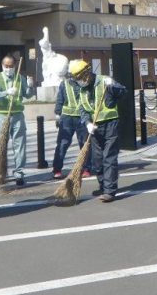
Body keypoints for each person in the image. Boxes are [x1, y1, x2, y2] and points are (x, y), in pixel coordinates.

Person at [71, 60, 127, 202]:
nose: (80, 80)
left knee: (109, 157)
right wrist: (87, 123)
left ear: (87, 73)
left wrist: (113, 86)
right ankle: (103, 185)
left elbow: (123, 91)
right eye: (77, 78)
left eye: (81, 77)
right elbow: (82, 108)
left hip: (110, 124)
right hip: (94, 128)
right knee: (97, 160)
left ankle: (110, 190)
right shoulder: (81, 88)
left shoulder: (104, 81)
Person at [0, 54, 35, 186]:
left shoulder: (20, 78)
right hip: (1, 116)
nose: (8, 68)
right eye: (6, 66)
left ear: (15, 66)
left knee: (20, 145)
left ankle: (19, 173)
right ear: (2, 66)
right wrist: (6, 92)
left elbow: (28, 94)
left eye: (11, 66)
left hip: (18, 115)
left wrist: (31, 86)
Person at [52, 60, 91, 180]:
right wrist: (57, 114)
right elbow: (60, 99)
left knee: (84, 144)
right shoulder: (65, 84)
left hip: (82, 118)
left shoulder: (87, 83)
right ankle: (57, 169)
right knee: (63, 144)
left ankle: (86, 168)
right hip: (67, 118)